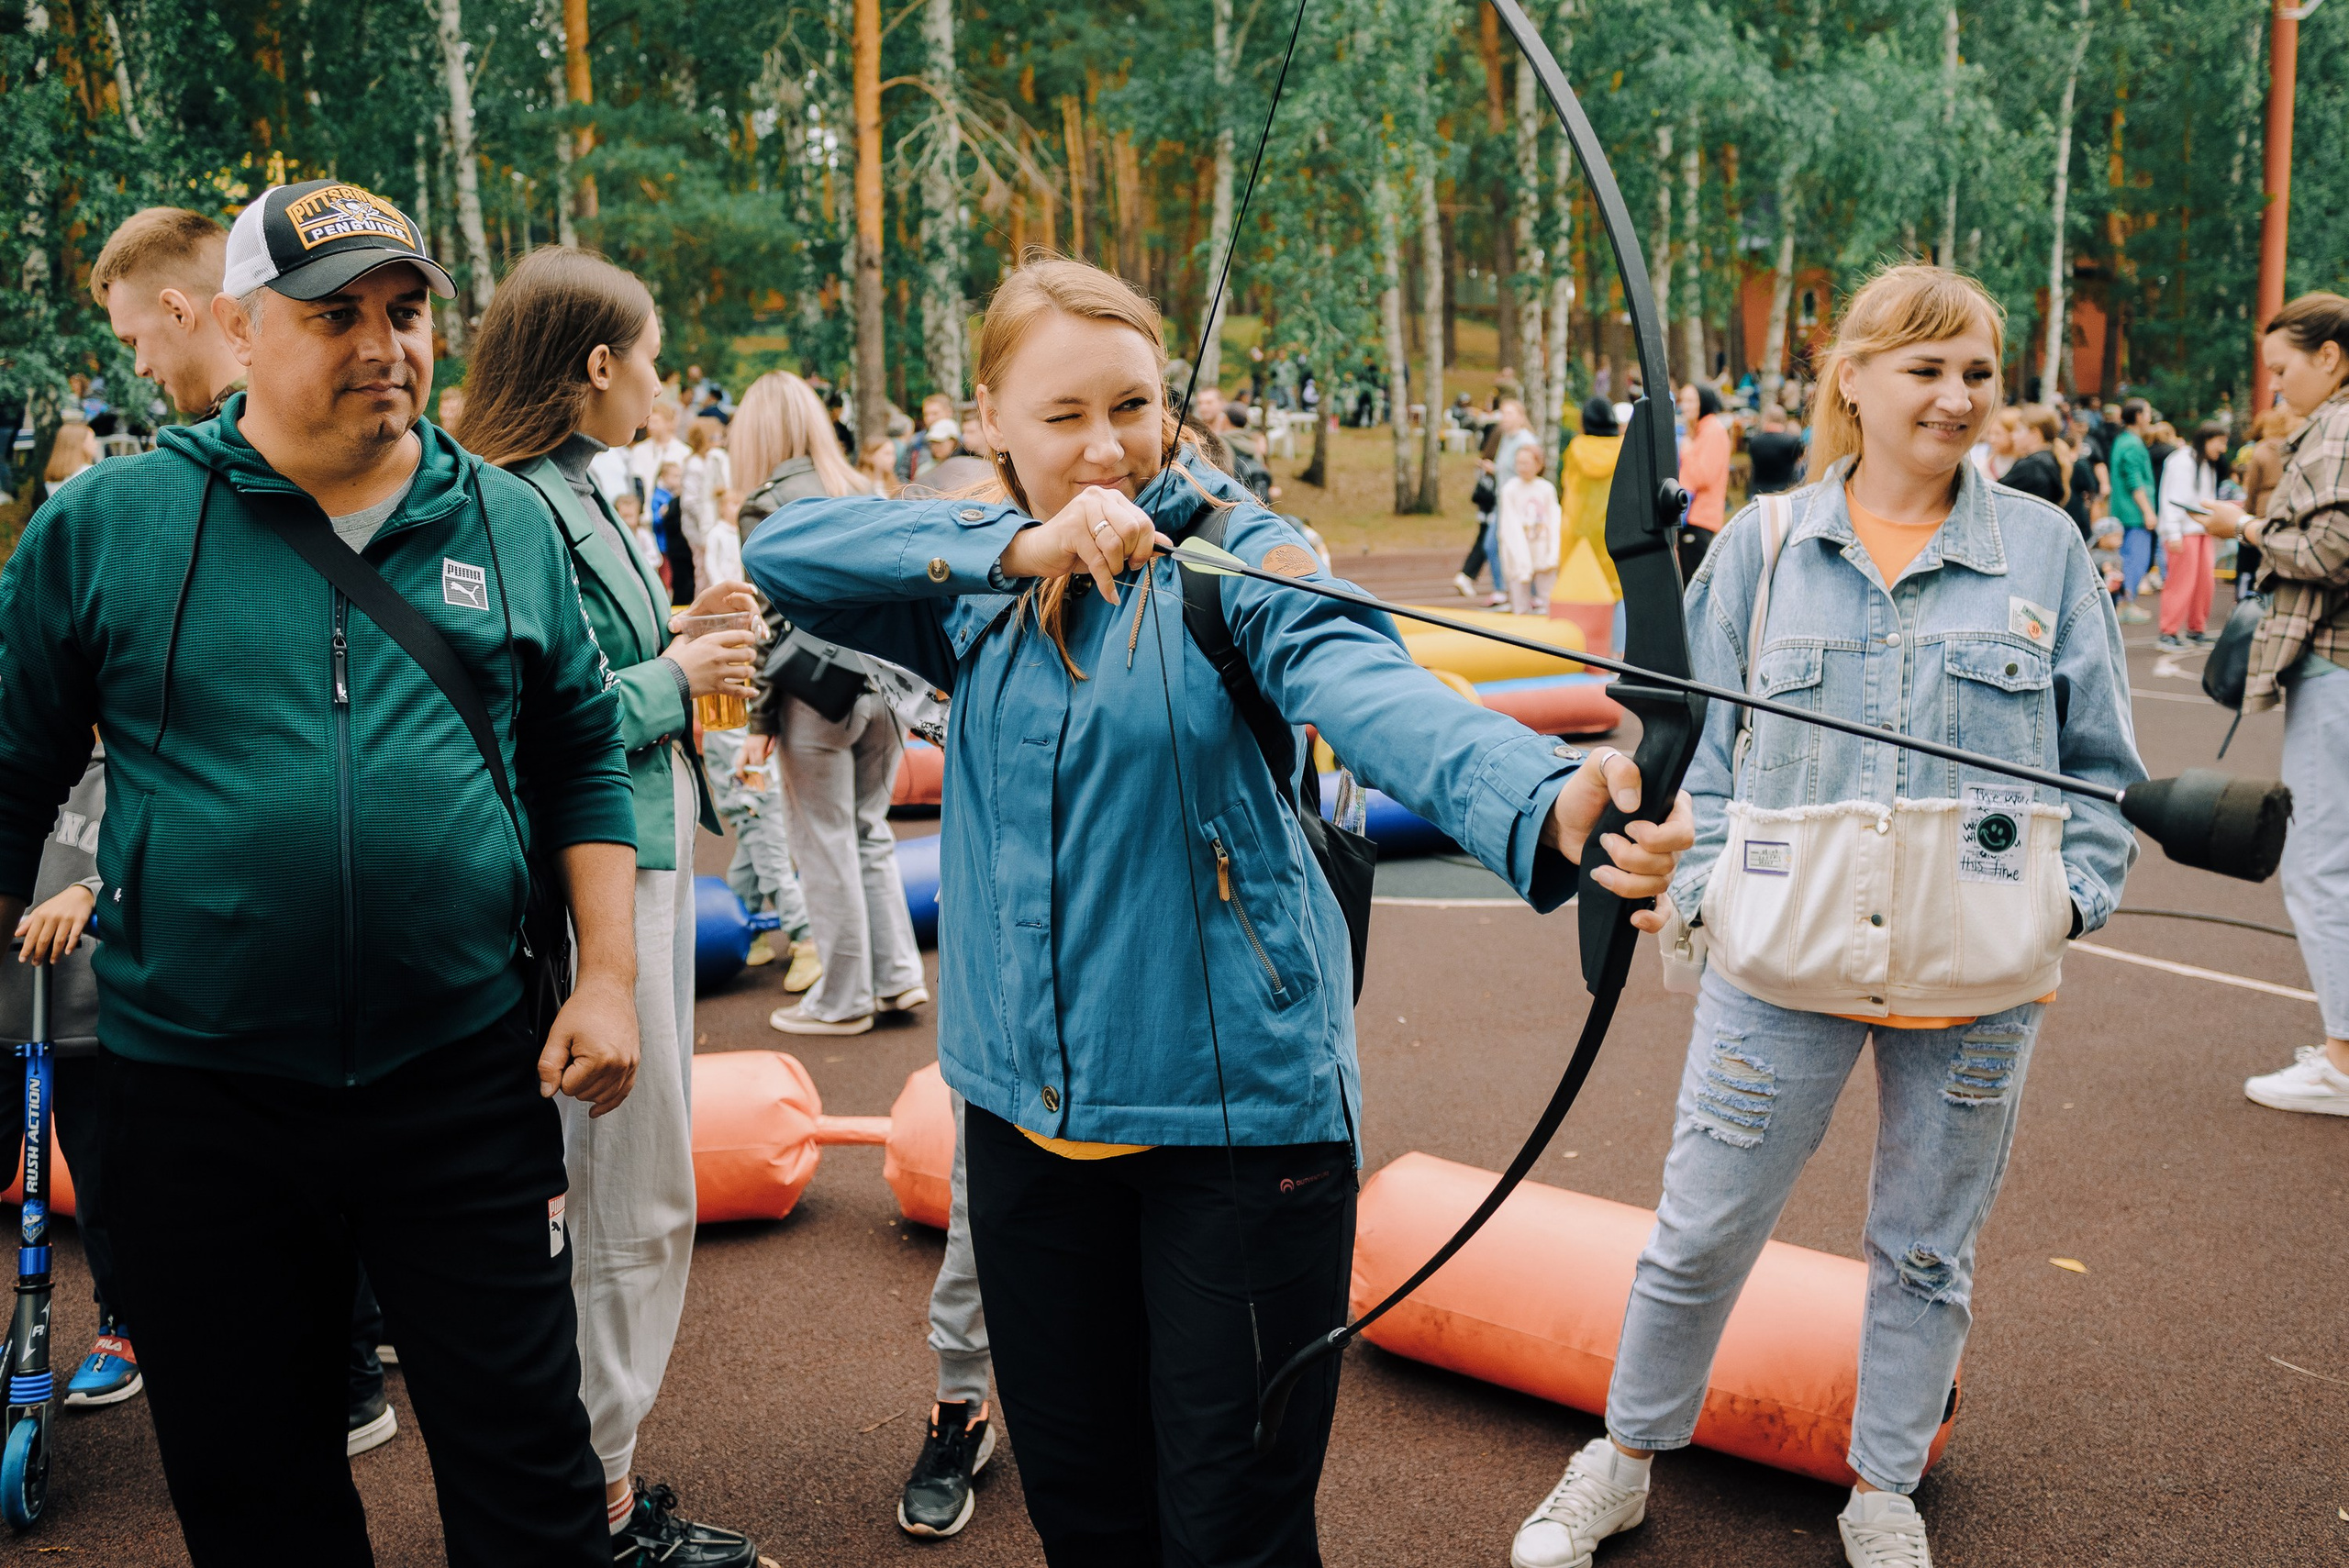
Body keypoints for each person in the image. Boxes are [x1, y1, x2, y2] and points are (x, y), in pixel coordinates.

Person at [742, 255, 1693, 1568]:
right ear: (990, 422)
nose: (1104, 446)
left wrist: (1554, 796)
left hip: (1238, 1135)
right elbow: (779, 549)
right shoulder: (972, 585)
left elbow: (1366, 676)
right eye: (1062, 414)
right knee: (1088, 1515)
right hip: (1023, 1124)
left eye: (1132, 406)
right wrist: (1021, 546)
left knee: (1232, 1532)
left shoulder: (1237, 560)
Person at [0, 178, 640, 1566]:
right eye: (334, 313)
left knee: (531, 1477)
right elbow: (11, 770)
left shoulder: (504, 521)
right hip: (197, 1093)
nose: (383, 345)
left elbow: (581, 748)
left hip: (463, 1075)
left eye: (406, 313)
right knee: (255, 1487)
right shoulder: (109, 524)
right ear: (236, 325)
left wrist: (614, 978)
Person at [1509, 265, 2143, 1568]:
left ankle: (1886, 1487)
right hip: (1779, 963)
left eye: (1978, 372)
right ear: (1850, 379)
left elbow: (2104, 771)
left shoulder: (2044, 549)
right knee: (1700, 1224)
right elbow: (1701, 754)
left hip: (1977, 980)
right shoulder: (1765, 545)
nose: (1959, 397)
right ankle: (1622, 1458)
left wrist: (2059, 907)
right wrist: (1699, 890)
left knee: (1924, 1252)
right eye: (1926, 369)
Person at [452, 245, 763, 1568]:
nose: (662, 376)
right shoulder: (524, 498)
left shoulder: (561, 489)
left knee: (618, 1192)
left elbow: (574, 670)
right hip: (602, 866)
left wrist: (679, 633)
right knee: (629, 1193)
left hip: (623, 852)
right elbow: (530, 713)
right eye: (650, 352)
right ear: (595, 367)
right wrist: (681, 666)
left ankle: (592, 1486)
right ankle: (601, 1507)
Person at [87, 198, 402, 1455]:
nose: (140, 365)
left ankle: (348, 1361)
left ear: (185, 311)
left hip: (396, 1003)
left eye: (135, 336)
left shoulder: (411, 489)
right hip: (215, 1003)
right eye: (335, 316)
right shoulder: (127, 514)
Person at [2191, 295, 2349, 1118]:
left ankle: (2343, 1062)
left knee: (2322, 864)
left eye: (2283, 367)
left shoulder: (2338, 427)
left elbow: (2330, 549)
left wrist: (2244, 525)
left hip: (2337, 665)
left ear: (2331, 356)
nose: (2276, 384)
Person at [733, 372, 927, 1037]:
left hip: (815, 694)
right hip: (882, 689)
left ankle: (843, 997)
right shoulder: (857, 488)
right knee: (871, 832)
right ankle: (898, 976)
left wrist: (759, 721)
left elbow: (768, 618)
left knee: (823, 840)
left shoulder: (765, 506)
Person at [2154, 420, 2227, 651]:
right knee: (2181, 583)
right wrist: (2173, 532)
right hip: (2183, 531)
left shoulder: (2205, 463)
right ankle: (2168, 632)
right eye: (2220, 442)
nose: (2223, 448)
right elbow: (2173, 499)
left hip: (2200, 529)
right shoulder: (2182, 462)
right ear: (2207, 439)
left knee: (2204, 582)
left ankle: (2197, 628)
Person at [1563, 396, 1625, 600]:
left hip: (1578, 527)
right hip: (1613, 527)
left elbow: (1567, 483)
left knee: (1580, 588)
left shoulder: (1577, 447)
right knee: (1615, 590)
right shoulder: (1622, 448)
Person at [2107, 397, 2159, 620]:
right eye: (2147, 413)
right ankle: (2126, 603)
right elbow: (2135, 480)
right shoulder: (2133, 444)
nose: (2149, 418)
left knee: (2124, 558)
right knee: (2135, 558)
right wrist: (2148, 511)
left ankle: (2123, 603)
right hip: (2134, 514)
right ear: (2138, 416)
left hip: (2122, 511)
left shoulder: (2122, 441)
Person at [1497, 439, 1564, 615]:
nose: (1522, 467)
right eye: (1519, 462)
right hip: (1518, 554)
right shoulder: (1510, 489)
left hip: (1541, 550)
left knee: (1549, 600)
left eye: (1526, 463)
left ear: (1538, 464)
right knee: (1520, 604)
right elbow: (1509, 526)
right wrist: (1521, 561)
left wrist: (1553, 553)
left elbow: (1554, 521)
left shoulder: (1546, 489)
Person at [1675, 382, 1731, 580]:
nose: (1685, 406)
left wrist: (1687, 451)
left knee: (1694, 586)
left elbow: (1703, 475)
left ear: (1704, 402)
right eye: (1683, 400)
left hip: (1699, 519)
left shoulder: (1713, 431)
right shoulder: (1700, 430)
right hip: (1691, 518)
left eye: (1692, 400)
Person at [1998, 404, 2068, 509]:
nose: (2013, 436)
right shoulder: (2051, 458)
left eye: (2018, 430)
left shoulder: (2031, 466)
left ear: (2035, 434)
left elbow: (1996, 494)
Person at [1744, 402, 1805, 497]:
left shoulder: (1754, 441)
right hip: (1785, 491)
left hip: (1759, 492)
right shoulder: (1793, 442)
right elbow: (1799, 463)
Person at [42, 419, 99, 495]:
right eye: (93, 439)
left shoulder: (53, 476)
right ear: (80, 443)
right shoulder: (91, 473)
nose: (96, 444)